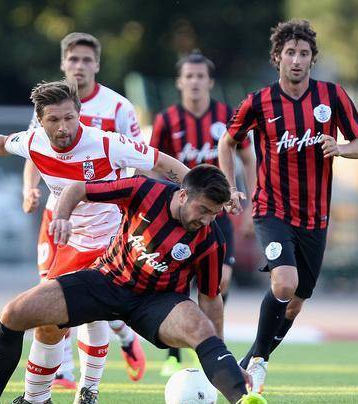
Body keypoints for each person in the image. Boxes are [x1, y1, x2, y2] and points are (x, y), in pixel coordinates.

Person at [0, 79, 189, 404]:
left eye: (69, 117)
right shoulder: (35, 142)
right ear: (40, 120)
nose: (63, 127)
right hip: (71, 245)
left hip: (113, 247)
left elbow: (164, 163)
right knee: (48, 325)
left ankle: (88, 390)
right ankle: (38, 399)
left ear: (80, 114)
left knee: (92, 315)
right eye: (54, 119)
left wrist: (197, 192)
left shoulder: (107, 144)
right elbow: (0, 142)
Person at [0, 164, 263, 404]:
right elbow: (79, 188)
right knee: (14, 313)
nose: (207, 219)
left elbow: (211, 299)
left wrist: (222, 354)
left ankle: (242, 399)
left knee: (201, 329)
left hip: (157, 302)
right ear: (184, 195)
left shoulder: (211, 240)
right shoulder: (144, 190)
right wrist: (61, 217)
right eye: (203, 209)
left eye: (214, 213)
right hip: (106, 280)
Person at [218, 19, 358, 395]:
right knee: (285, 281)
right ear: (277, 58)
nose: (297, 60)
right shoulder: (258, 102)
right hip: (272, 210)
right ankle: (257, 363)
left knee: (295, 303)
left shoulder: (333, 97)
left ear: (312, 60)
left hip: (315, 217)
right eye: (290, 53)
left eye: (304, 54)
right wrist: (231, 188)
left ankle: (254, 359)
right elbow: (228, 142)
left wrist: (341, 148)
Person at [21, 32, 146, 390]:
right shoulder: (50, 106)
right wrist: (28, 187)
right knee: (50, 294)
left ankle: (91, 376)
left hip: (104, 222)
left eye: (86, 60)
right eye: (73, 59)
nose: (79, 66)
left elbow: (138, 157)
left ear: (98, 65)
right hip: (58, 217)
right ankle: (65, 373)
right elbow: (31, 149)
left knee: (92, 301)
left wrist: (122, 201)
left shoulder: (118, 107)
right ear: (63, 63)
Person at [150, 50, 256, 376]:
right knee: (176, 280)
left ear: (209, 81)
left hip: (220, 215)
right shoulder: (166, 120)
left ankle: (210, 346)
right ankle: (173, 355)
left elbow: (249, 159)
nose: (195, 82)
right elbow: (154, 166)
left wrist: (251, 204)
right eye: (189, 76)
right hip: (179, 217)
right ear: (180, 82)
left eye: (201, 76)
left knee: (220, 281)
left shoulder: (227, 115)